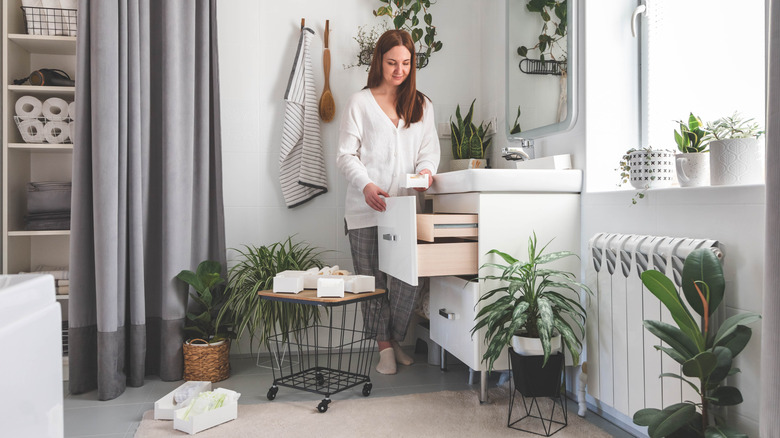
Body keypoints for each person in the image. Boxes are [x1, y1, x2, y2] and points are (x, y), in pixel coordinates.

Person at [337, 29, 440, 375]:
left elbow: (429, 152)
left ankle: (395, 338)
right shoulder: (359, 103)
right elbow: (345, 155)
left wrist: (426, 171)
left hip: (405, 208)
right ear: (379, 61)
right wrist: (366, 184)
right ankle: (384, 348)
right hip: (365, 209)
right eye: (392, 62)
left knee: (408, 281)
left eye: (406, 63)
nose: (399, 70)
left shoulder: (422, 105)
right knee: (372, 282)